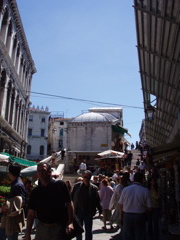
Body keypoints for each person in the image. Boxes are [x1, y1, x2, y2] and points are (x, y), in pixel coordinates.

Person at [25, 162, 74, 240]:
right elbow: (31, 213)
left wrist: (70, 222)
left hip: (57, 227)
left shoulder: (60, 185)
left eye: (43, 170)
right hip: (41, 227)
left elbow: (69, 203)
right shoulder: (35, 192)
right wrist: (27, 233)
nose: (41, 173)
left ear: (49, 172)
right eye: (39, 171)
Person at [119, 172, 152, 240]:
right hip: (140, 216)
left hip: (127, 215)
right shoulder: (145, 191)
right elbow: (150, 208)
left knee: (127, 237)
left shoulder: (126, 189)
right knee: (140, 236)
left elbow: (121, 204)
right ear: (142, 180)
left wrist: (121, 216)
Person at [71, 170, 103, 240]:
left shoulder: (93, 188)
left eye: (88, 177)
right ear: (82, 177)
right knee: (78, 230)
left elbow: (97, 201)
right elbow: (71, 198)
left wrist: (101, 212)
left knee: (88, 230)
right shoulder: (77, 186)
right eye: (85, 177)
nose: (86, 179)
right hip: (78, 211)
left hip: (88, 212)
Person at [0, 163, 26, 240]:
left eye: (9, 173)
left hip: (13, 217)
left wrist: (7, 205)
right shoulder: (15, 183)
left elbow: (21, 201)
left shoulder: (18, 185)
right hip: (8, 216)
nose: (8, 174)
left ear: (11, 174)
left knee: (11, 236)